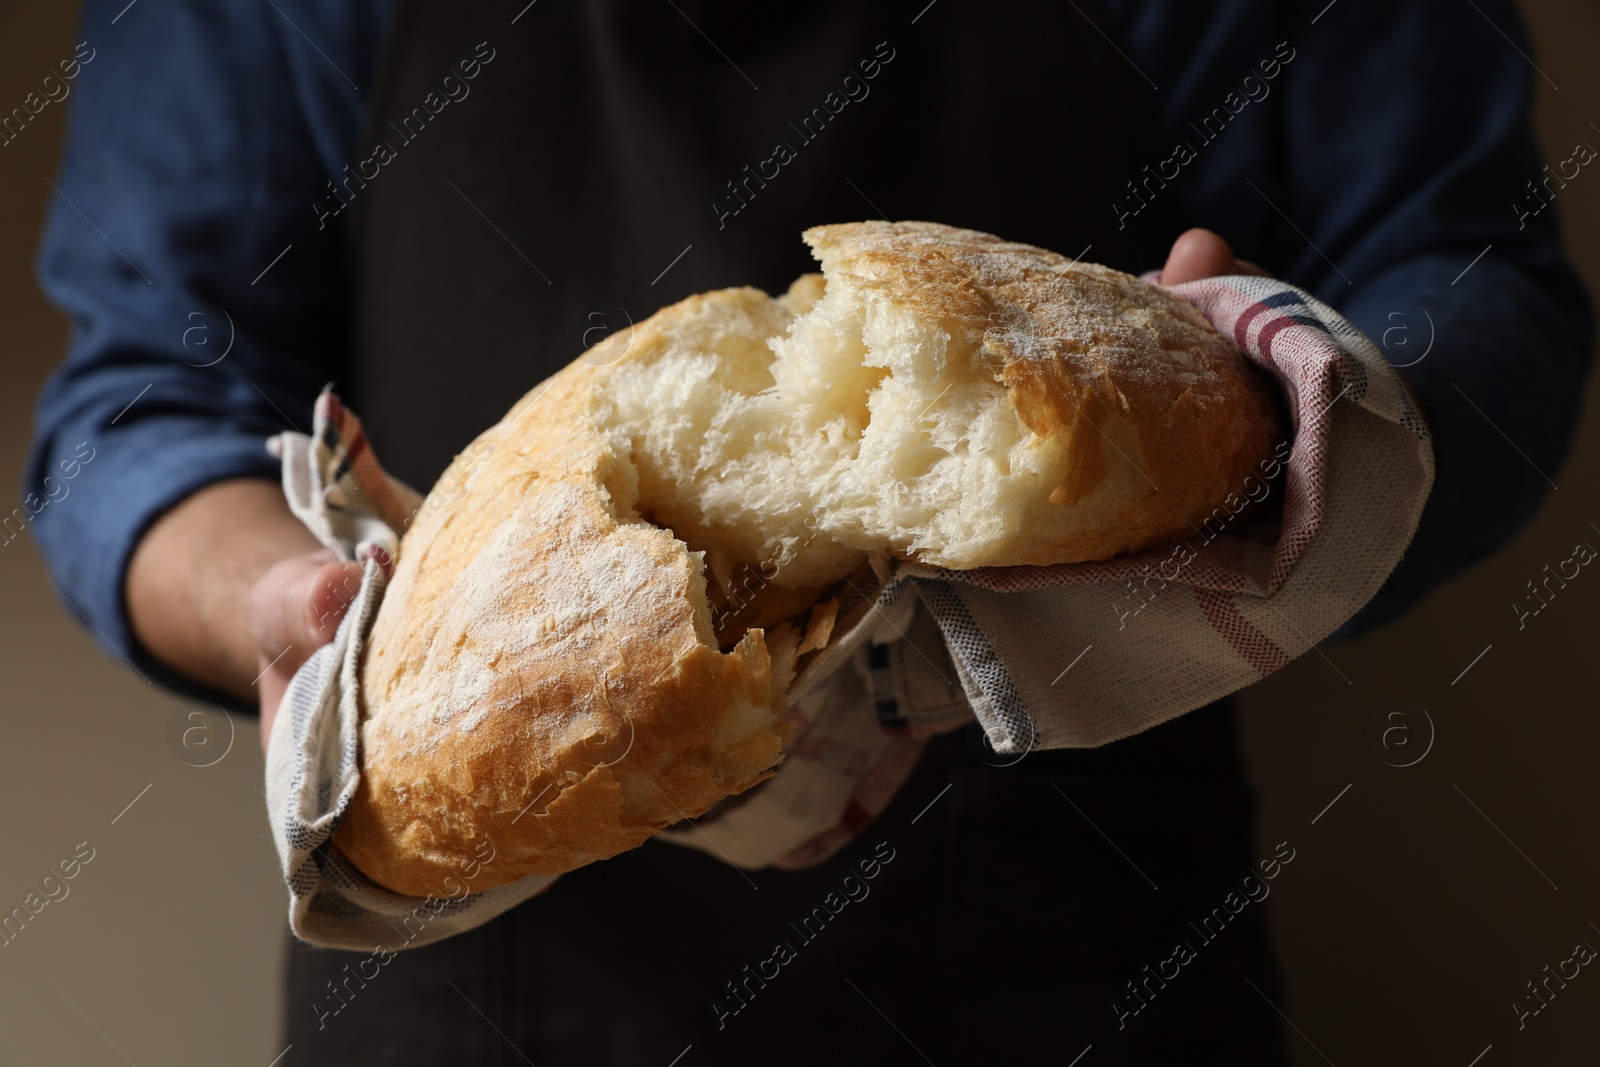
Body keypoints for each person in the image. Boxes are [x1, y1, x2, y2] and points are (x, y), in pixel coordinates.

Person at [24, 0, 1591, 1062]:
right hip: (480, 986)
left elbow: (1468, 272)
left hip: (1083, 946)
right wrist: (292, 606)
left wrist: (1278, 405)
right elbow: (146, 395)